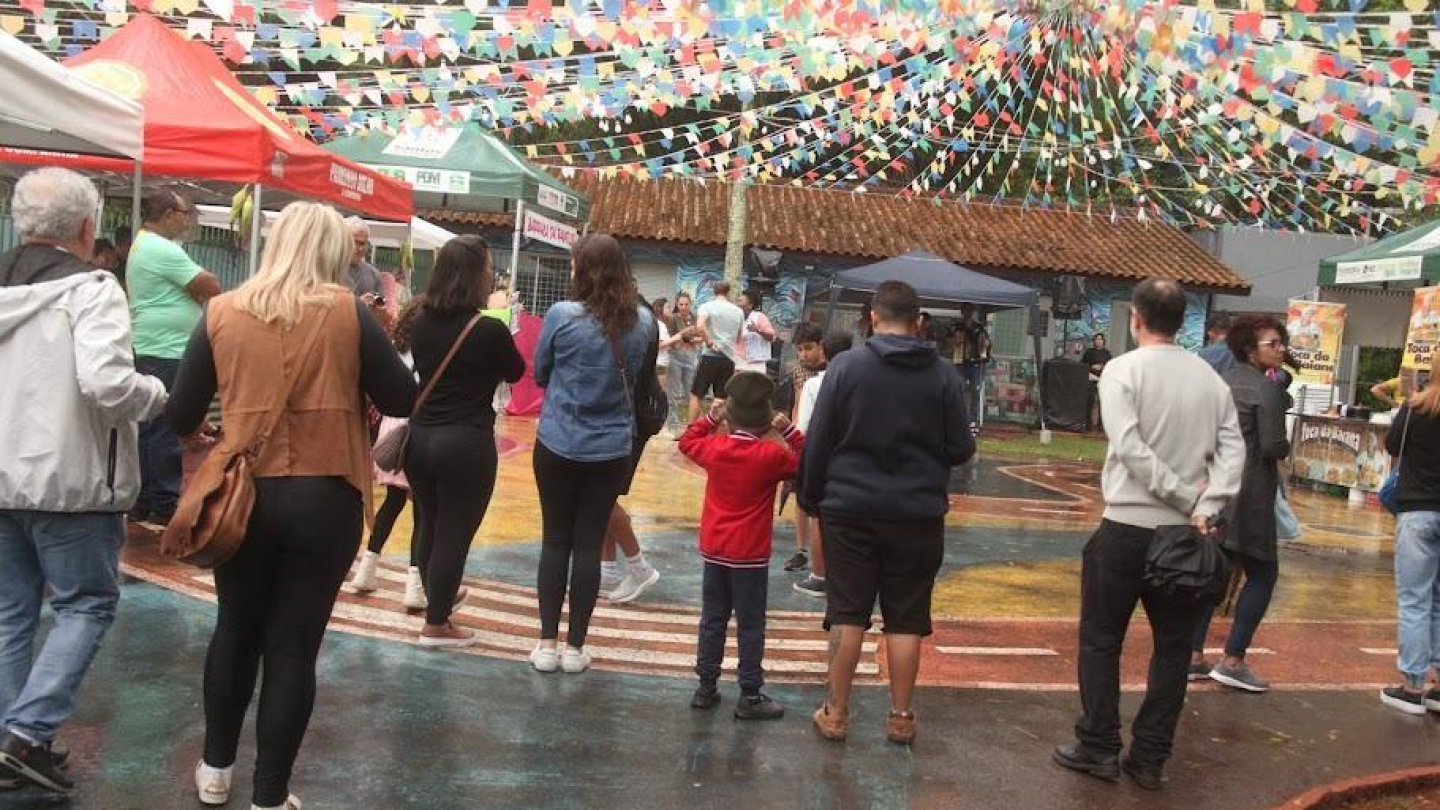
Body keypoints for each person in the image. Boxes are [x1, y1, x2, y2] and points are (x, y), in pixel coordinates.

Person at [166, 202, 416, 810]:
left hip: (242, 497)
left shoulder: (221, 312)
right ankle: (270, 795)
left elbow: (178, 414)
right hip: (325, 495)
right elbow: (402, 395)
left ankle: (216, 769)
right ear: (330, 252)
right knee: (292, 648)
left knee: (235, 630)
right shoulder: (347, 314)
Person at [0, 168, 167, 795]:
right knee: (86, 604)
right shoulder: (94, 288)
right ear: (87, 228)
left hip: (2, 478)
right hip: (71, 480)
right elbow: (107, 384)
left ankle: (20, 743)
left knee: (12, 613)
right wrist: (156, 392)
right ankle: (25, 733)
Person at [1053, 279, 1244, 792]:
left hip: (1126, 528)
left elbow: (1130, 447)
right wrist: (1204, 504)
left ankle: (1097, 745)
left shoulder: (1122, 370)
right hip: (1185, 537)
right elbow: (1233, 453)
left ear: (1136, 316)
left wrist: (1183, 496)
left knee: (1100, 640)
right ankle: (1150, 757)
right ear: (1182, 321)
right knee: (1173, 648)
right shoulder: (1210, 380)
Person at [801, 281, 975, 746]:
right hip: (918, 514)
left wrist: (810, 496)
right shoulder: (943, 376)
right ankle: (900, 716)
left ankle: (836, 713)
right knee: (906, 618)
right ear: (918, 322)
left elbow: (818, 442)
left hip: (849, 509)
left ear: (873, 318)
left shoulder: (845, 369)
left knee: (847, 612)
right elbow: (961, 448)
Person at [531, 235, 655, 674]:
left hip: (557, 441)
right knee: (587, 544)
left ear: (581, 269)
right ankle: (576, 648)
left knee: (554, 540)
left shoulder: (561, 315)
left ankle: (546, 644)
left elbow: (541, 373)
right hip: (611, 448)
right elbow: (639, 379)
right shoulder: (643, 322)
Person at [406, 237, 526, 646]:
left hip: (419, 439)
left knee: (429, 524)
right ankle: (437, 623)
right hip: (465, 441)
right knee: (454, 534)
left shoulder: (420, 320)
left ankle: (437, 597)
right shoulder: (488, 328)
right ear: (475, 276)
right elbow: (515, 371)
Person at [681, 373, 804, 720]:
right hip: (750, 553)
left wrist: (709, 417)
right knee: (750, 623)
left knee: (713, 618)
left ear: (729, 415)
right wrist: (790, 431)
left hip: (715, 547)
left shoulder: (715, 449)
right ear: (768, 421)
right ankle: (749, 693)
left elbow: (687, 442)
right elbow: (809, 458)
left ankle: (706, 687)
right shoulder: (770, 456)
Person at [1190, 315, 1292, 692]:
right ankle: (1233, 659)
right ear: (1250, 347)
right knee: (1263, 575)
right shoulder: (1265, 390)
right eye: (1272, 343)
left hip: (1218, 487)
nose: (1280, 349)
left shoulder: (1225, 384)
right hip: (1251, 494)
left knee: (1215, 575)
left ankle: (1194, 654)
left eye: (1281, 342)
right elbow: (1272, 445)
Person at [128, 186, 222, 526]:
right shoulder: (160, 248)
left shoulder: (147, 245)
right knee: (166, 423)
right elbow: (210, 284)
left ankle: (145, 496)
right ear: (168, 215)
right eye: (184, 214)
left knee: (152, 423)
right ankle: (164, 497)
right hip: (165, 347)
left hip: (157, 344)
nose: (187, 221)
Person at [348, 299, 427, 612]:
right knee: (423, 510)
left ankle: (366, 570)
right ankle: (415, 586)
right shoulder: (430, 349)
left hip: (392, 430)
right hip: (417, 427)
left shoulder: (395, 348)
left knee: (392, 502)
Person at [1379, 362, 1440, 714]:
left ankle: (1413, 686)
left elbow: (1391, 446)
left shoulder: (1416, 406)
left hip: (1417, 509)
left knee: (1415, 599)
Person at [598, 294, 666, 606]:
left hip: (628, 418)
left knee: (600, 497)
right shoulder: (640, 317)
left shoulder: (635, 320)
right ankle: (608, 570)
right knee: (605, 496)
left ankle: (639, 566)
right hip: (632, 416)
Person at [792, 331, 854, 599]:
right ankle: (845, 573)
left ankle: (819, 575)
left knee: (819, 516)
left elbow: (804, 427)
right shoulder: (860, 380)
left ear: (824, 352)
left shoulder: (815, 384)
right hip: (853, 458)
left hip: (822, 457)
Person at [781, 322, 826, 573]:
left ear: (821, 346)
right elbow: (797, 404)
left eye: (808, 348)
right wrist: (792, 438)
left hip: (824, 438)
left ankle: (823, 552)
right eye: (800, 349)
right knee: (799, 495)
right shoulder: (798, 371)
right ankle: (801, 550)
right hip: (800, 437)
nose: (804, 354)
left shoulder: (833, 370)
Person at [688, 281, 744, 421]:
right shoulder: (738, 311)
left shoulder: (706, 306)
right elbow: (738, 338)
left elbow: (700, 326)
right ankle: (712, 429)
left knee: (697, 394)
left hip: (710, 356)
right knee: (720, 397)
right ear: (728, 292)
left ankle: (690, 429)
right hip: (728, 358)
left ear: (714, 291)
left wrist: (708, 342)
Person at [666, 292, 702, 436]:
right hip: (676, 355)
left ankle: (692, 424)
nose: (683, 307)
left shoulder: (695, 317)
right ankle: (673, 425)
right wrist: (682, 336)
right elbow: (669, 338)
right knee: (673, 392)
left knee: (691, 391)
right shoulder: (673, 318)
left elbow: (702, 336)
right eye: (681, 304)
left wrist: (694, 340)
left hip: (691, 355)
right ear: (677, 304)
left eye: (686, 304)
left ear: (690, 303)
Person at [953, 302, 991, 432]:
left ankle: (973, 420)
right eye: (965, 310)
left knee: (976, 390)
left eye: (970, 310)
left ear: (973, 312)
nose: (968, 312)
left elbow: (987, 343)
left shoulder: (979, 327)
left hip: (975, 362)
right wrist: (955, 341)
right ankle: (959, 418)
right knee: (960, 389)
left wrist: (985, 344)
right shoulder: (956, 326)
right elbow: (947, 340)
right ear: (962, 312)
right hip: (960, 362)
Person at [737, 289, 776, 374]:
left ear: (750, 305)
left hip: (756, 363)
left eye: (741, 301)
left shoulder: (759, 317)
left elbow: (771, 337)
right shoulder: (737, 318)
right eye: (738, 301)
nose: (738, 304)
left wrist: (757, 330)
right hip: (739, 362)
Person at [1081, 334, 1113, 432]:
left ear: (1103, 341)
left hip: (1103, 380)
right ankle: (1087, 424)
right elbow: (1082, 365)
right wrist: (1092, 367)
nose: (1099, 341)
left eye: (1100, 339)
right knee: (1089, 401)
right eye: (1097, 339)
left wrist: (1102, 367)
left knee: (1103, 403)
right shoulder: (1089, 352)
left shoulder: (1107, 353)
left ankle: (1101, 425)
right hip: (1091, 379)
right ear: (1094, 341)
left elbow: (1111, 366)